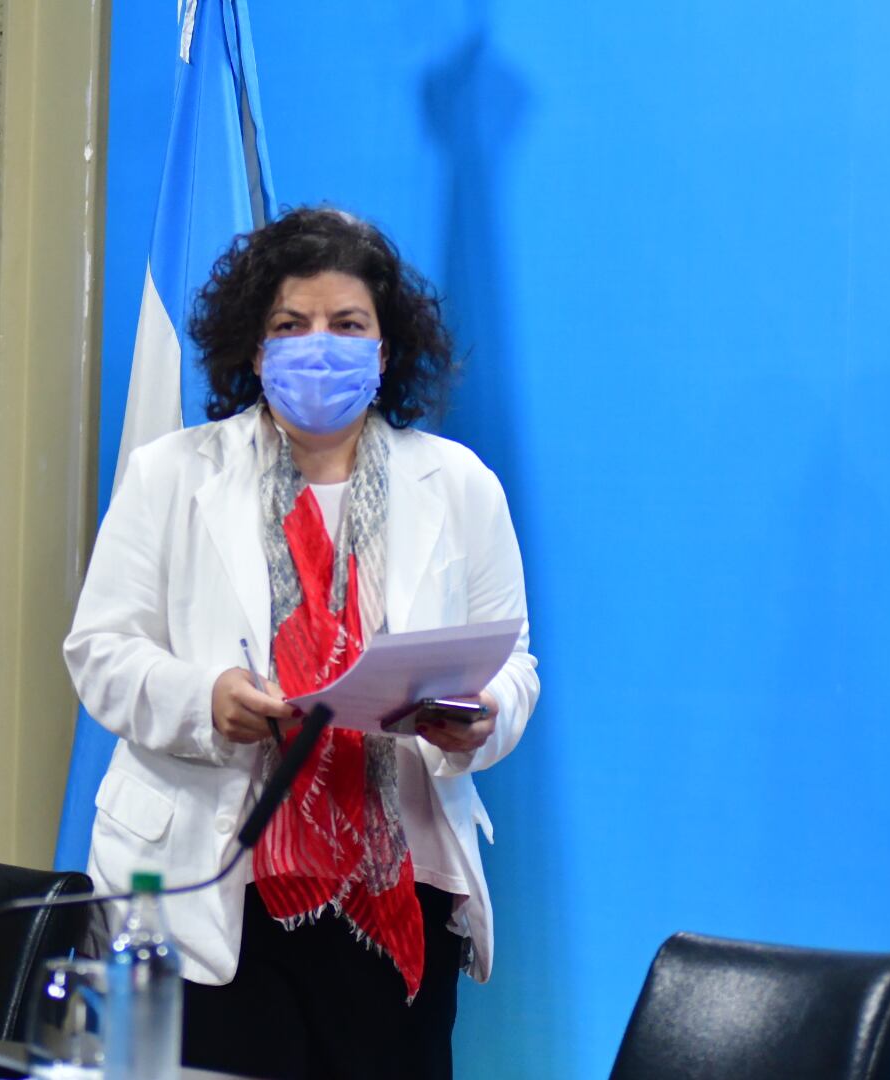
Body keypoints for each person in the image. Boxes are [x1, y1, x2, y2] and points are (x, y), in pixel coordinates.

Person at [64, 207, 539, 1079]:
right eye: (292, 326)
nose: (320, 347)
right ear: (254, 347)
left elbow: (512, 665)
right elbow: (99, 651)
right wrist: (206, 699)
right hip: (216, 889)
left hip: (399, 897)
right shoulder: (171, 474)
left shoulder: (459, 484)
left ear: (386, 348)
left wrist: (481, 717)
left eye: (348, 325)